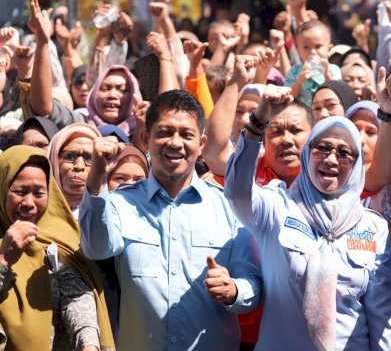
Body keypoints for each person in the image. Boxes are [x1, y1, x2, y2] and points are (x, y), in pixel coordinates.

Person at [79, 90, 261, 350]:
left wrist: (233, 290)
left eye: (186, 135)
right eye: (164, 132)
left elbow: (252, 282)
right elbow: (96, 248)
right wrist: (97, 176)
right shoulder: (120, 203)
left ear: (201, 145)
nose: (175, 143)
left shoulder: (228, 207)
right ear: (145, 138)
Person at [224, 86, 391, 350]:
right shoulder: (277, 207)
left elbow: (381, 315)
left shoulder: (373, 227)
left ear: (357, 163)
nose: (331, 159)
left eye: (344, 153)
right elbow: (237, 192)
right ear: (306, 155)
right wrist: (259, 121)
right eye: (322, 148)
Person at [0, 145, 114, 351]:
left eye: (39, 193)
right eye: (19, 191)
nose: (29, 203)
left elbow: (75, 294)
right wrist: (4, 262)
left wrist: (88, 343)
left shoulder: (59, 239)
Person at [285, 20, 342, 107]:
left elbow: (337, 94)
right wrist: (299, 81)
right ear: (298, 50)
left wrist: (326, 75)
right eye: (306, 47)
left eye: (318, 46)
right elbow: (289, 97)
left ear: (329, 49)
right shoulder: (294, 71)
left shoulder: (333, 70)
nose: (312, 52)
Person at [48, 123, 102, 214]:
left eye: (89, 158)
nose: (79, 166)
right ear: (54, 158)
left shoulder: (109, 208)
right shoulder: (37, 206)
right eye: (70, 156)